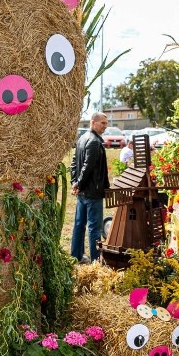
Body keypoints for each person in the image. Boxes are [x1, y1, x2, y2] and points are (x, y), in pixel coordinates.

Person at [70, 112, 110, 263]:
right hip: (92, 192)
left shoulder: (82, 138)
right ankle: (95, 260)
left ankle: (76, 256)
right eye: (103, 123)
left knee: (79, 225)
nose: (105, 127)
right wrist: (77, 183)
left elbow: (74, 163)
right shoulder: (93, 141)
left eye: (106, 123)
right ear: (93, 122)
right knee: (94, 227)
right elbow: (87, 167)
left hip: (83, 192)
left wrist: (75, 183)